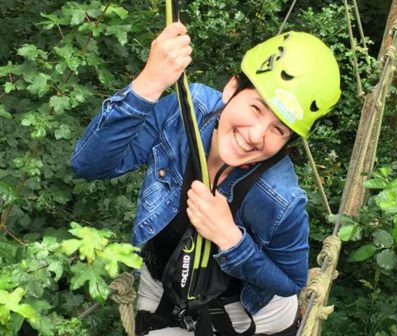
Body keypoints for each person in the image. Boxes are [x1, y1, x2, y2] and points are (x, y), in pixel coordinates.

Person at [71, 21, 340, 335]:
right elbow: (89, 165)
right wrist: (149, 83)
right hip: (165, 296)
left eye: (278, 130)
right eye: (256, 109)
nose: (256, 135)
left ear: (287, 143)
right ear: (231, 88)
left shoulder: (280, 197)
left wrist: (231, 239)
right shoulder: (185, 112)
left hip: (249, 316)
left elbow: (291, 281)